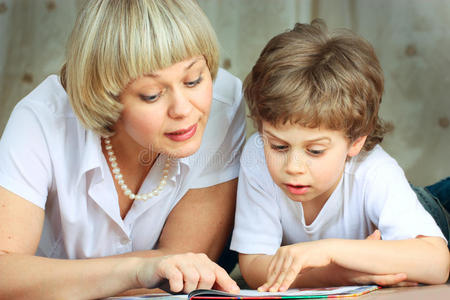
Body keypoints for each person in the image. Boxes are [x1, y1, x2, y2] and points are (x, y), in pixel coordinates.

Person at [0, 0, 245, 298]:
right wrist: (137, 271)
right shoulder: (41, 121)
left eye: (193, 79)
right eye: (152, 95)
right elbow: (5, 273)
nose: (183, 109)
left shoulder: (222, 106)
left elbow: (183, 270)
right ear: (105, 97)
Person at [230, 19, 450, 292]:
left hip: (429, 210)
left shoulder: (374, 170)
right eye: (279, 147)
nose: (293, 167)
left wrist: (330, 250)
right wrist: (345, 273)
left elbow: (437, 263)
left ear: (356, 141)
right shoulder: (256, 155)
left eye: (315, 151)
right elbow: (254, 267)